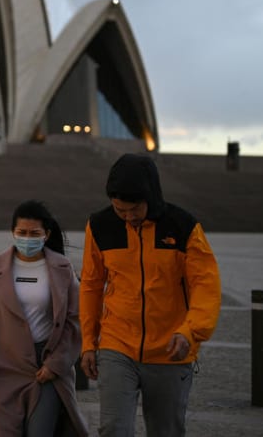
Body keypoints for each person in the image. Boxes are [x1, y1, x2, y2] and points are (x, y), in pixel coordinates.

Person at [79, 153, 221, 436]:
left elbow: (206, 285)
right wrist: (87, 343)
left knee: (165, 430)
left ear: (152, 198)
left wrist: (190, 331)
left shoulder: (183, 227)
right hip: (117, 345)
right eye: (120, 210)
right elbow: (91, 286)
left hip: (171, 349)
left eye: (134, 210)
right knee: (113, 428)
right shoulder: (99, 226)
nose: (128, 217)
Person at [0, 200, 88, 436]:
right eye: (22, 233)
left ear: (46, 234)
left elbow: (75, 321)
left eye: (34, 233)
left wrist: (56, 363)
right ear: (13, 232)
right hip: (8, 366)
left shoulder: (62, 268)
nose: (27, 238)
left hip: (46, 368)